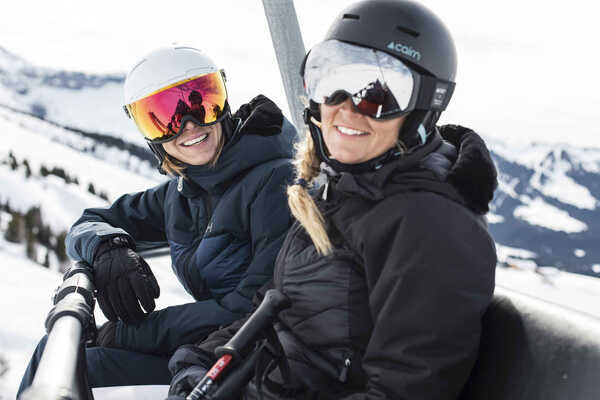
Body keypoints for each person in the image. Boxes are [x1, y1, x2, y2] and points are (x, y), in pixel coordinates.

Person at [167, 1, 498, 399]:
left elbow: (403, 391)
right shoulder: (341, 188)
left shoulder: (428, 224)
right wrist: (201, 360)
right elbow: (271, 309)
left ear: (424, 107)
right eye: (329, 80)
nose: (344, 109)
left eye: (377, 94)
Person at [17, 45, 296, 395]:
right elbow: (89, 221)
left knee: (72, 364)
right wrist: (108, 246)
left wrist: (132, 332)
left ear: (222, 102)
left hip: (260, 357)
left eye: (201, 102)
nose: (189, 125)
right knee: (56, 357)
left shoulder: (277, 181)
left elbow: (254, 304)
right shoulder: (183, 192)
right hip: (212, 347)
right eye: (164, 117)